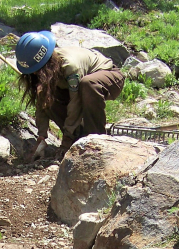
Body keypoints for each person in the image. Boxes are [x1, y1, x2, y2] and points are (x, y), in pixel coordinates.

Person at [15, 30, 124, 159]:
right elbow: (41, 102)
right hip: (78, 87)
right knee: (49, 98)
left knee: (88, 84)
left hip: (109, 76)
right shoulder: (44, 71)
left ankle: (96, 142)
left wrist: (66, 137)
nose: (34, 74)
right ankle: (78, 137)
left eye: (36, 70)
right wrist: (41, 135)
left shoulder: (70, 66)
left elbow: (75, 103)